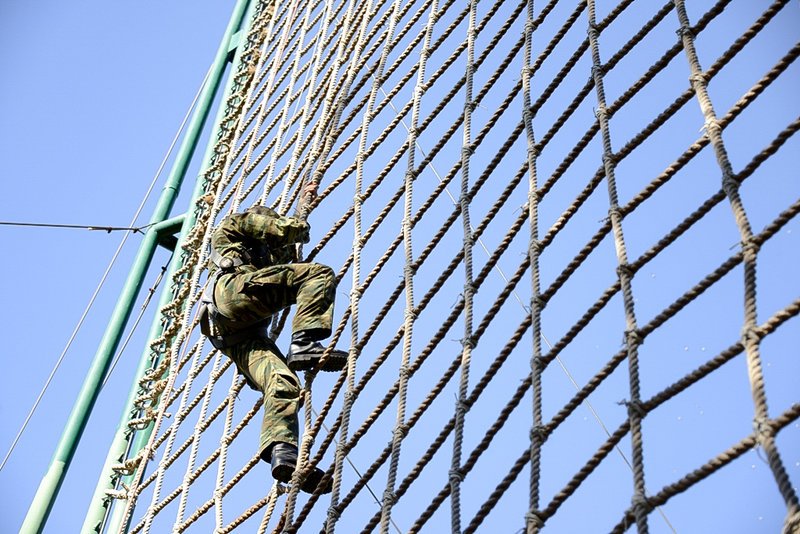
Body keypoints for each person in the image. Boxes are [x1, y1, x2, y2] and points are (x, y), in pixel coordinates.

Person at [199, 204, 347, 494]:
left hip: (233, 334)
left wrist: (296, 227)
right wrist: (299, 223)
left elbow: (282, 255)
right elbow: (279, 230)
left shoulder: (260, 258)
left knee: (282, 382)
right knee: (317, 275)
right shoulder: (234, 225)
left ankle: (283, 453)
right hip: (232, 296)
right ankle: (304, 341)